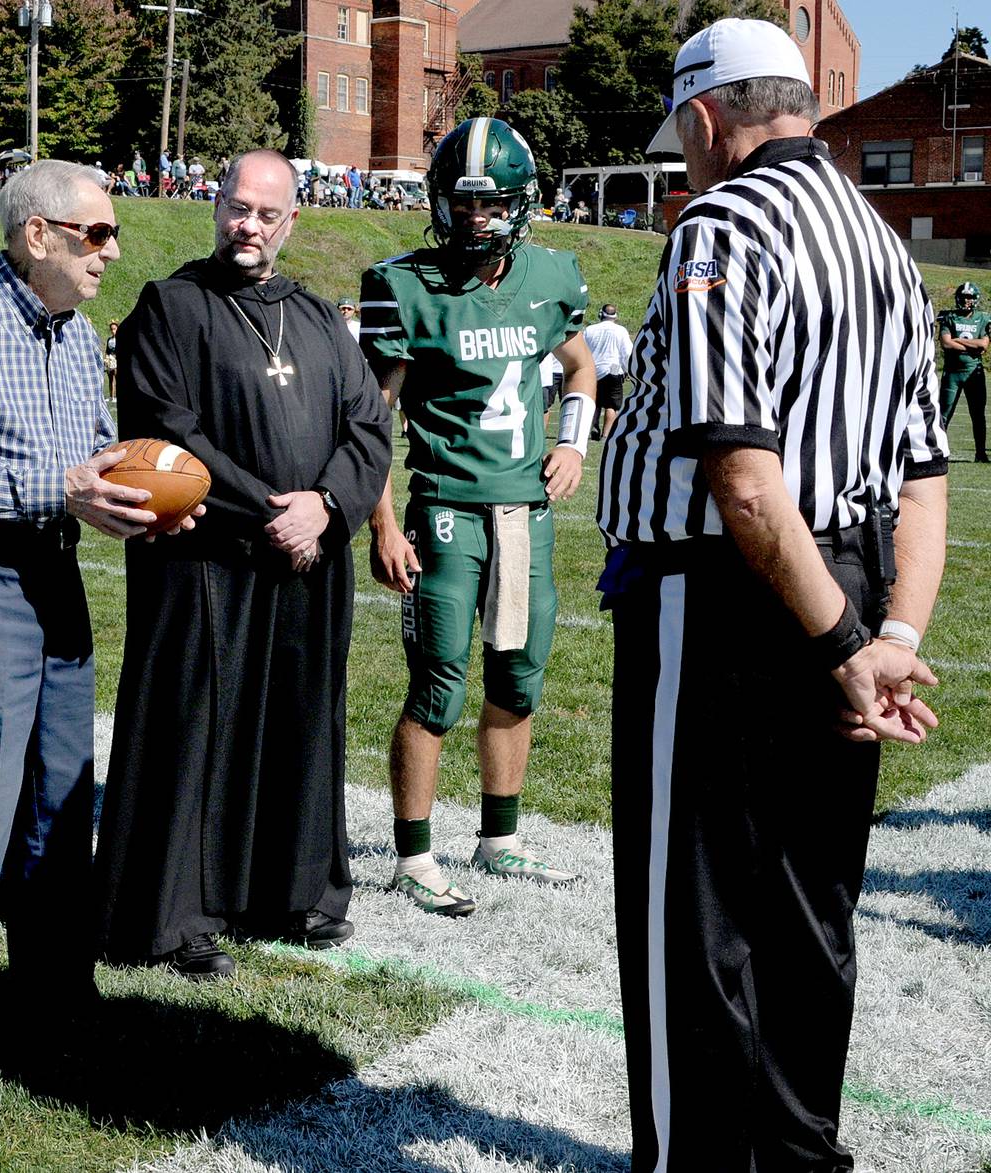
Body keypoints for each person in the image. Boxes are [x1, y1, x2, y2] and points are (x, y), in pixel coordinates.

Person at [600, 20, 948, 1171]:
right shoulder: (885, 243)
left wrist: (844, 642)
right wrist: (888, 632)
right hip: (848, 578)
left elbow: (745, 485)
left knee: (689, 916)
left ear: (705, 120)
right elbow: (923, 482)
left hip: (729, 594)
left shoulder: (723, 221)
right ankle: (799, 1156)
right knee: (810, 905)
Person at [0, 159, 175, 1056]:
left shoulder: (75, 331)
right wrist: (59, 489)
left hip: (53, 580)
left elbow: (94, 459)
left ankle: (58, 986)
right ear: (37, 236)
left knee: (60, 797)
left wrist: (142, 498)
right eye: (97, 233)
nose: (111, 252)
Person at [95, 149, 392, 980]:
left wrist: (327, 506)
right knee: (200, 729)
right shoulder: (171, 305)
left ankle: (294, 891)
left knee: (304, 719)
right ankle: (180, 914)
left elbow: (369, 427)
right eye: (236, 208)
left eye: (266, 213)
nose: (248, 226)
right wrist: (272, 509)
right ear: (213, 206)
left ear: (292, 220)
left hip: (310, 558)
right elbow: (169, 432)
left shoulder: (321, 317)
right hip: (211, 560)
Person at [361, 118, 597, 918]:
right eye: (462, 204)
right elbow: (373, 422)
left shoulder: (552, 274)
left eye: (493, 204)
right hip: (447, 508)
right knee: (439, 685)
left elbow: (580, 363)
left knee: (518, 679)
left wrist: (573, 443)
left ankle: (499, 838)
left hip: (525, 510)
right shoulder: (404, 283)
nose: (475, 218)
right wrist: (384, 525)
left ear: (523, 203)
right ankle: (413, 854)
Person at [938, 281, 989, 462]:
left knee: (977, 414)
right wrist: (970, 346)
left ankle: (980, 453)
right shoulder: (949, 317)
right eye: (964, 297)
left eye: (969, 297)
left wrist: (957, 340)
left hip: (973, 374)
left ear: (975, 299)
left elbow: (983, 345)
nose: (966, 301)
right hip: (952, 373)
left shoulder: (983, 318)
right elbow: (945, 343)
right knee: (944, 414)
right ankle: (938, 452)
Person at [581, 303, 632, 439]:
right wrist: (628, 370)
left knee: (595, 402)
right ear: (615, 316)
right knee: (611, 405)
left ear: (600, 314)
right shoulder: (621, 331)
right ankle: (606, 434)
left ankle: (593, 428)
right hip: (614, 368)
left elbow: (583, 351)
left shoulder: (590, 330)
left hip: (594, 369)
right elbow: (627, 353)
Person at [103, 318, 119, 399]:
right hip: (110, 360)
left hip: (116, 360)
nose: (113, 331)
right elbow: (107, 350)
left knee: (117, 378)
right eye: (112, 329)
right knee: (110, 378)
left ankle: (117, 396)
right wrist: (106, 358)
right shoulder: (109, 339)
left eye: (114, 329)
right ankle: (111, 396)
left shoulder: (120, 338)